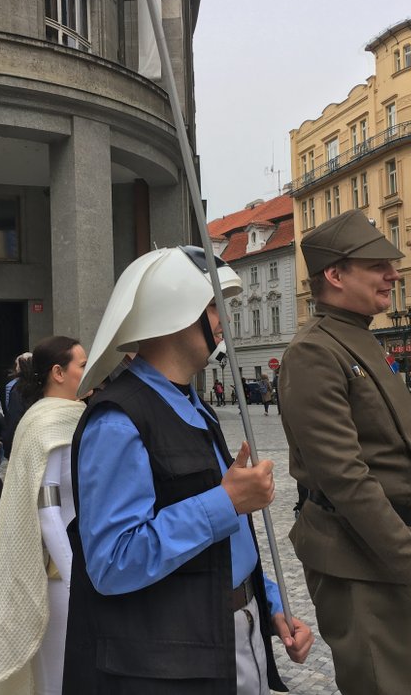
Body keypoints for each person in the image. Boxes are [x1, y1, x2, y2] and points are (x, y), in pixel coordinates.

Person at [63, 246, 313, 694]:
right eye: (215, 306)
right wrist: (226, 502)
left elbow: (228, 544)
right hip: (170, 663)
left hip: (236, 631)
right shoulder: (118, 419)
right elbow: (111, 561)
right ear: (173, 309)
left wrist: (269, 601)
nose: (224, 321)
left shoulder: (195, 406)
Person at [279, 209, 411, 695]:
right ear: (335, 274)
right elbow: (347, 481)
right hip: (361, 564)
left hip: (407, 552)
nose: (394, 275)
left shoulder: (360, 340)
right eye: (377, 265)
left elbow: (387, 443)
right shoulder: (314, 352)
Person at [0, 336, 87, 695]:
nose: (87, 373)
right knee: (57, 678)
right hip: (59, 569)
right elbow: (48, 508)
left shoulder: (70, 416)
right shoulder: (45, 423)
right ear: (58, 372)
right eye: (81, 366)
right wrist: (74, 576)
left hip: (79, 559)